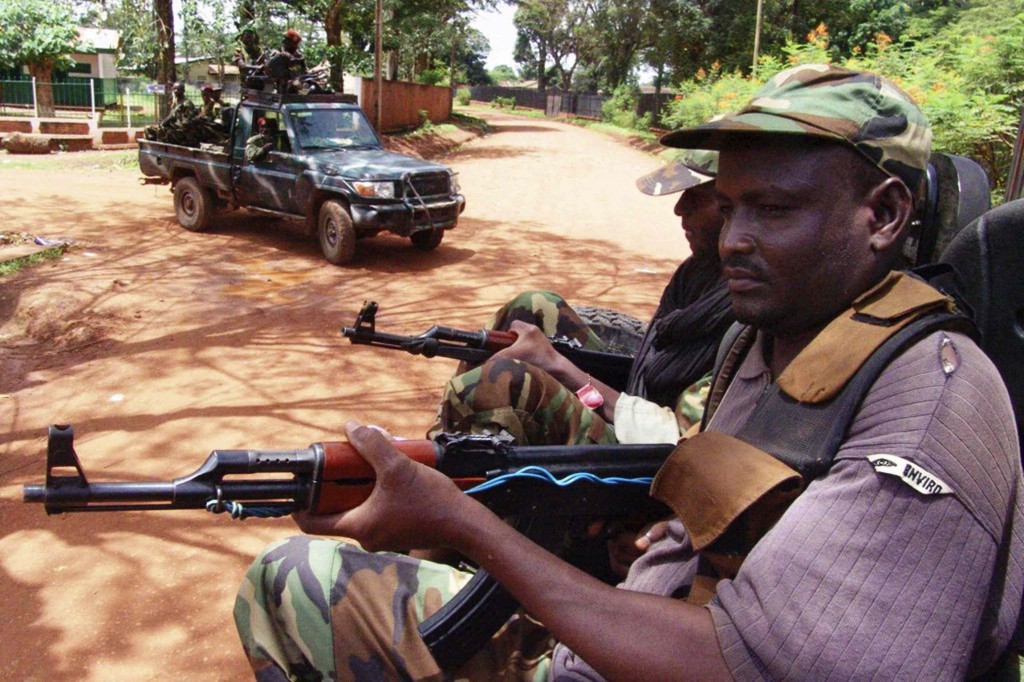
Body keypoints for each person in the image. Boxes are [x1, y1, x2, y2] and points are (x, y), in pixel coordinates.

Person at [234, 64, 1024, 680]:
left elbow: (745, 663)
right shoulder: (773, 337)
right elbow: (717, 498)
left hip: (646, 654)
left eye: (773, 210)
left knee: (284, 583)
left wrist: (462, 521)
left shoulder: (927, 405)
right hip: (632, 624)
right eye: (730, 206)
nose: (731, 239)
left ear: (883, 215)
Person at [427, 148, 733, 452]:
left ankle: (451, 467)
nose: (680, 208)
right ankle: (445, 432)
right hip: (639, 405)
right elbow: (652, 367)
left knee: (506, 379)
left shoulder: (749, 314)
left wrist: (560, 367)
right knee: (534, 305)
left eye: (697, 196)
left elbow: (677, 441)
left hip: (652, 457)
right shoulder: (701, 273)